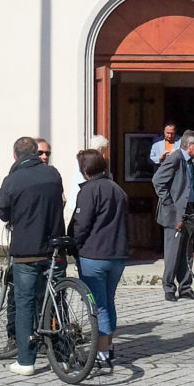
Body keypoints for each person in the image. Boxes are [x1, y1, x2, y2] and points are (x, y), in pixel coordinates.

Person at [0, 136, 65, 377]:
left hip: (26, 251)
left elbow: (1, 209)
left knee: (24, 303)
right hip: (54, 247)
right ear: (36, 153)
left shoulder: (13, 179)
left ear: (15, 156)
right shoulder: (53, 174)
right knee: (57, 299)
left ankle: (26, 361)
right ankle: (62, 353)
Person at [71, 148, 128, 369]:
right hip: (117, 254)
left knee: (98, 305)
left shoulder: (89, 191)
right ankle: (109, 345)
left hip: (94, 254)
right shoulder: (117, 189)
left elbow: (81, 225)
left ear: (84, 169)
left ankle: (102, 353)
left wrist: (74, 245)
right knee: (108, 301)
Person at [151, 129, 194, 301]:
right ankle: (169, 288)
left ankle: (185, 287)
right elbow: (158, 181)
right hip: (175, 212)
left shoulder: (190, 160)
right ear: (190, 146)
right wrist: (169, 204)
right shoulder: (175, 158)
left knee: (187, 250)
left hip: (189, 210)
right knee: (173, 251)